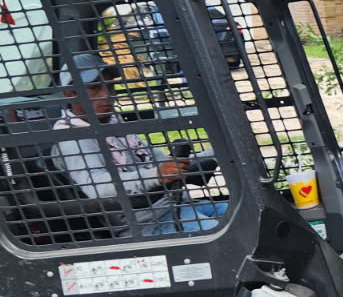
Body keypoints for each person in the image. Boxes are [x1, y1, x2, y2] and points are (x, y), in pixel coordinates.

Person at [52, 52, 228, 236]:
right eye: (95, 87)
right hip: (145, 224)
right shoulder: (73, 138)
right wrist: (157, 175)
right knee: (233, 237)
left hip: (174, 206)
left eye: (110, 86)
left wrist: (220, 150)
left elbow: (162, 162)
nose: (107, 95)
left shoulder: (112, 125)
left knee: (243, 215)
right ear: (70, 93)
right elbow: (99, 187)